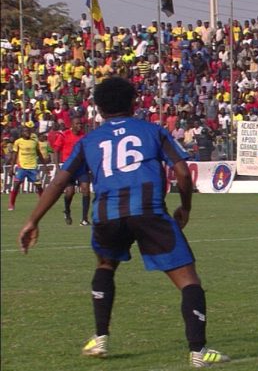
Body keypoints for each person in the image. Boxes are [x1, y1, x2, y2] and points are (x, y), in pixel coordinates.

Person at [17, 77, 229, 368]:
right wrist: (185, 207)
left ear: (99, 109)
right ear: (134, 102)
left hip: (106, 214)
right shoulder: (153, 131)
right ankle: (199, 351)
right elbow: (181, 171)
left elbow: (58, 182)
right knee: (188, 280)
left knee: (105, 266)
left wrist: (32, 220)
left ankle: (100, 338)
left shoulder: (88, 141)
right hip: (148, 212)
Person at [51, 116, 91, 225]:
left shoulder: (84, 136)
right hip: (68, 168)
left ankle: (84, 219)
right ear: (72, 125)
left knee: (86, 189)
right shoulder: (64, 135)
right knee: (70, 192)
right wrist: (58, 168)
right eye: (77, 124)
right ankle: (67, 211)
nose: (80, 126)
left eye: (81, 124)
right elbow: (56, 151)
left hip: (82, 167)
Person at [8, 125, 48, 211]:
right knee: (16, 185)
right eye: (25, 131)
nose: (28, 133)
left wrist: (45, 166)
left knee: (39, 186)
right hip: (21, 167)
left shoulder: (34, 141)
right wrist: (11, 168)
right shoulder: (18, 142)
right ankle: (11, 204)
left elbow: (39, 153)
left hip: (33, 167)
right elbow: (14, 155)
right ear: (22, 133)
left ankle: (43, 204)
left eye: (29, 131)